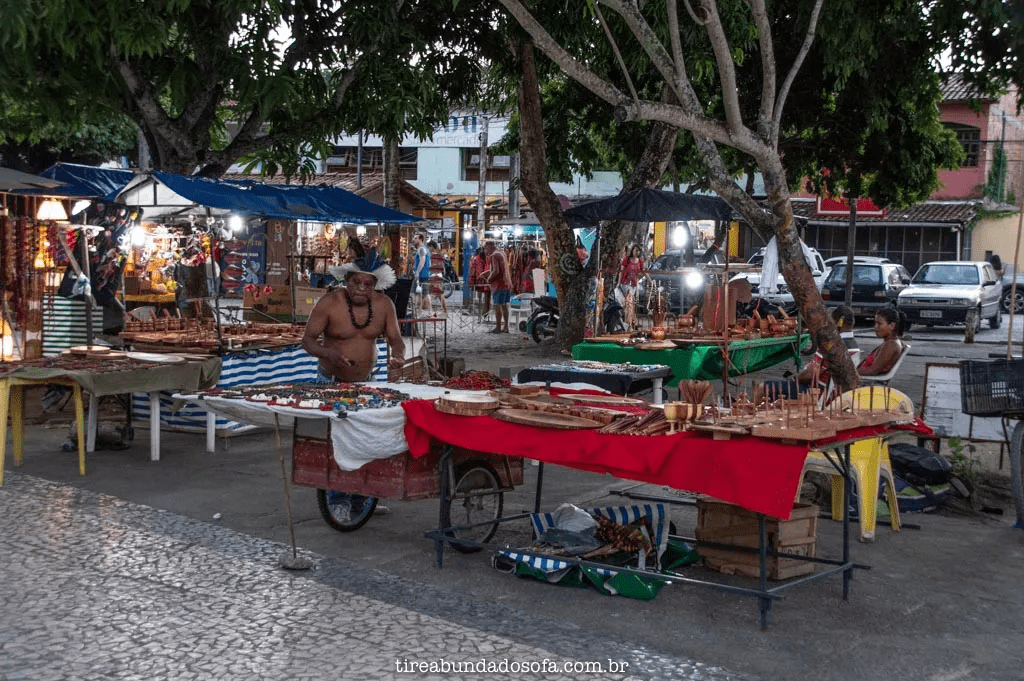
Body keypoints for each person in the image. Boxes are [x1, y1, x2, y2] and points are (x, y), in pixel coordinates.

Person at [303, 260, 406, 383]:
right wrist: (327, 353)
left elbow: (396, 339)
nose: (361, 288)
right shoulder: (330, 302)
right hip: (330, 380)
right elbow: (307, 339)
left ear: (375, 285)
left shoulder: (384, 305)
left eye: (368, 284)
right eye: (356, 282)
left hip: (367, 381)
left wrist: (398, 355)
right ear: (346, 280)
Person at [483, 240, 512, 333]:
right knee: (504, 306)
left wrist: (489, 279)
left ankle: (498, 327)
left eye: (486, 248)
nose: (485, 251)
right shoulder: (502, 253)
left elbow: (496, 270)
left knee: (497, 306)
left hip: (499, 284)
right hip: (506, 283)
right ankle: (506, 327)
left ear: (489, 247)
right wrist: (486, 273)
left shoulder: (494, 255)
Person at [427, 240, 448, 315]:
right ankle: (444, 310)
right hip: (439, 274)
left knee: (431, 293)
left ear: (432, 246)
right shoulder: (439, 254)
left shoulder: (433, 255)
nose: (429, 249)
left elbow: (433, 265)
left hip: (434, 274)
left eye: (429, 247)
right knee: (439, 293)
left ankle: (432, 311)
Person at [411, 233, 432, 314]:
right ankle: (419, 310)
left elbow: (422, 261)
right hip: (425, 274)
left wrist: (417, 272)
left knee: (415, 293)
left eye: (415, 238)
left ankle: (416, 310)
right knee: (422, 293)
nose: (414, 240)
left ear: (420, 239)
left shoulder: (421, 249)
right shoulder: (425, 249)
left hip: (421, 275)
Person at [468, 246, 490, 318]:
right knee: (480, 297)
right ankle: (481, 313)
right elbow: (473, 270)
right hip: (479, 280)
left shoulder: (487, 258)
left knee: (484, 298)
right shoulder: (476, 259)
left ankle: (484, 313)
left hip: (484, 281)